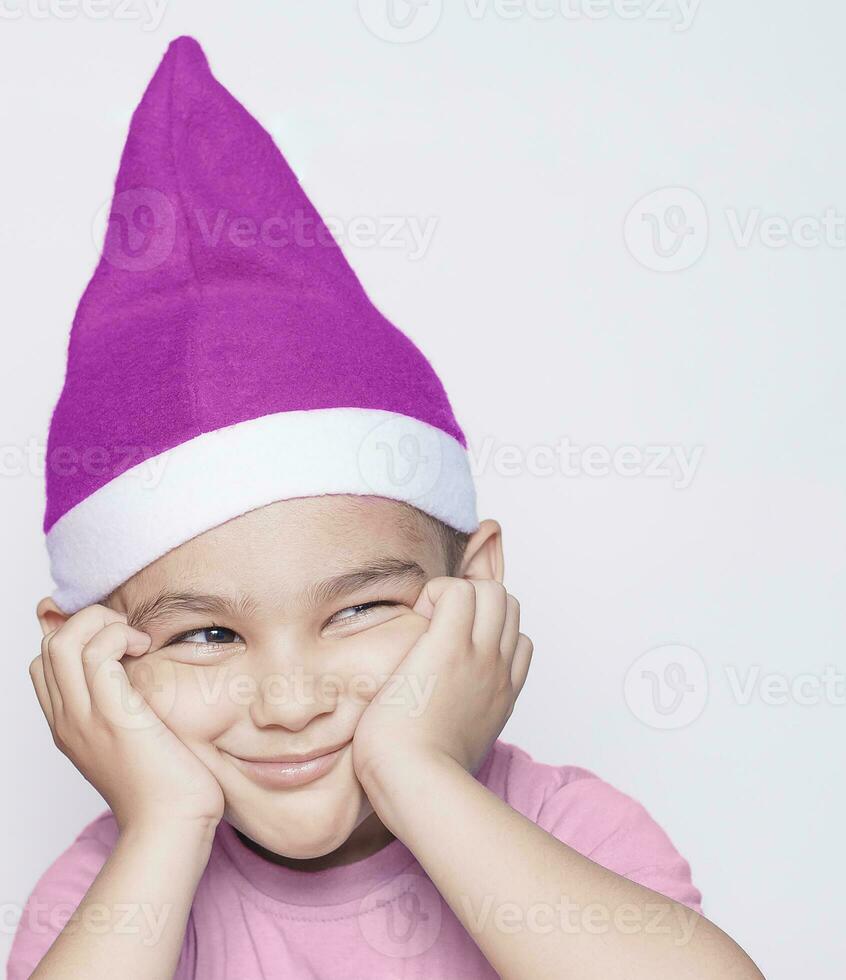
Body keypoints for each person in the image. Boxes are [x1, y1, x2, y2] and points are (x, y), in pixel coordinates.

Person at [8, 35, 763, 979]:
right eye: (205, 634)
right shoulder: (110, 895)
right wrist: (164, 827)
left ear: (472, 585)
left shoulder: (562, 831)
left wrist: (420, 775)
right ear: (85, 654)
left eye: (359, 609)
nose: (291, 701)